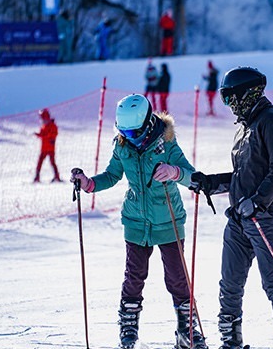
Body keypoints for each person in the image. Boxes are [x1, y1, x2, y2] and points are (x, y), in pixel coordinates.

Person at [69, 94, 207, 349]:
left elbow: (192, 176)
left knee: (177, 278)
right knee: (134, 276)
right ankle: (129, 328)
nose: (131, 138)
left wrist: (174, 172)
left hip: (168, 220)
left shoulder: (167, 144)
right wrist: (89, 184)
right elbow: (111, 175)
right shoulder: (122, 145)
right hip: (136, 221)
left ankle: (187, 329)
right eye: (126, 132)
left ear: (147, 123)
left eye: (135, 133)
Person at [189, 67, 273, 349]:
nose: (228, 105)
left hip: (266, 217)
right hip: (240, 217)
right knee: (229, 283)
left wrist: (258, 202)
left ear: (246, 93)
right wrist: (210, 183)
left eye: (230, 98)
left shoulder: (272, 123)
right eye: (224, 99)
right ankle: (231, 341)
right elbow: (242, 177)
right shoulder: (245, 126)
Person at [34, 108, 61, 183]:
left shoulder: (52, 126)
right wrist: (38, 135)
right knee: (40, 162)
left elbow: (52, 135)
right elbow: (44, 135)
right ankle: (37, 177)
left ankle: (57, 176)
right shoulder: (44, 126)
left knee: (52, 162)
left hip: (50, 149)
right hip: (44, 148)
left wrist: (42, 136)